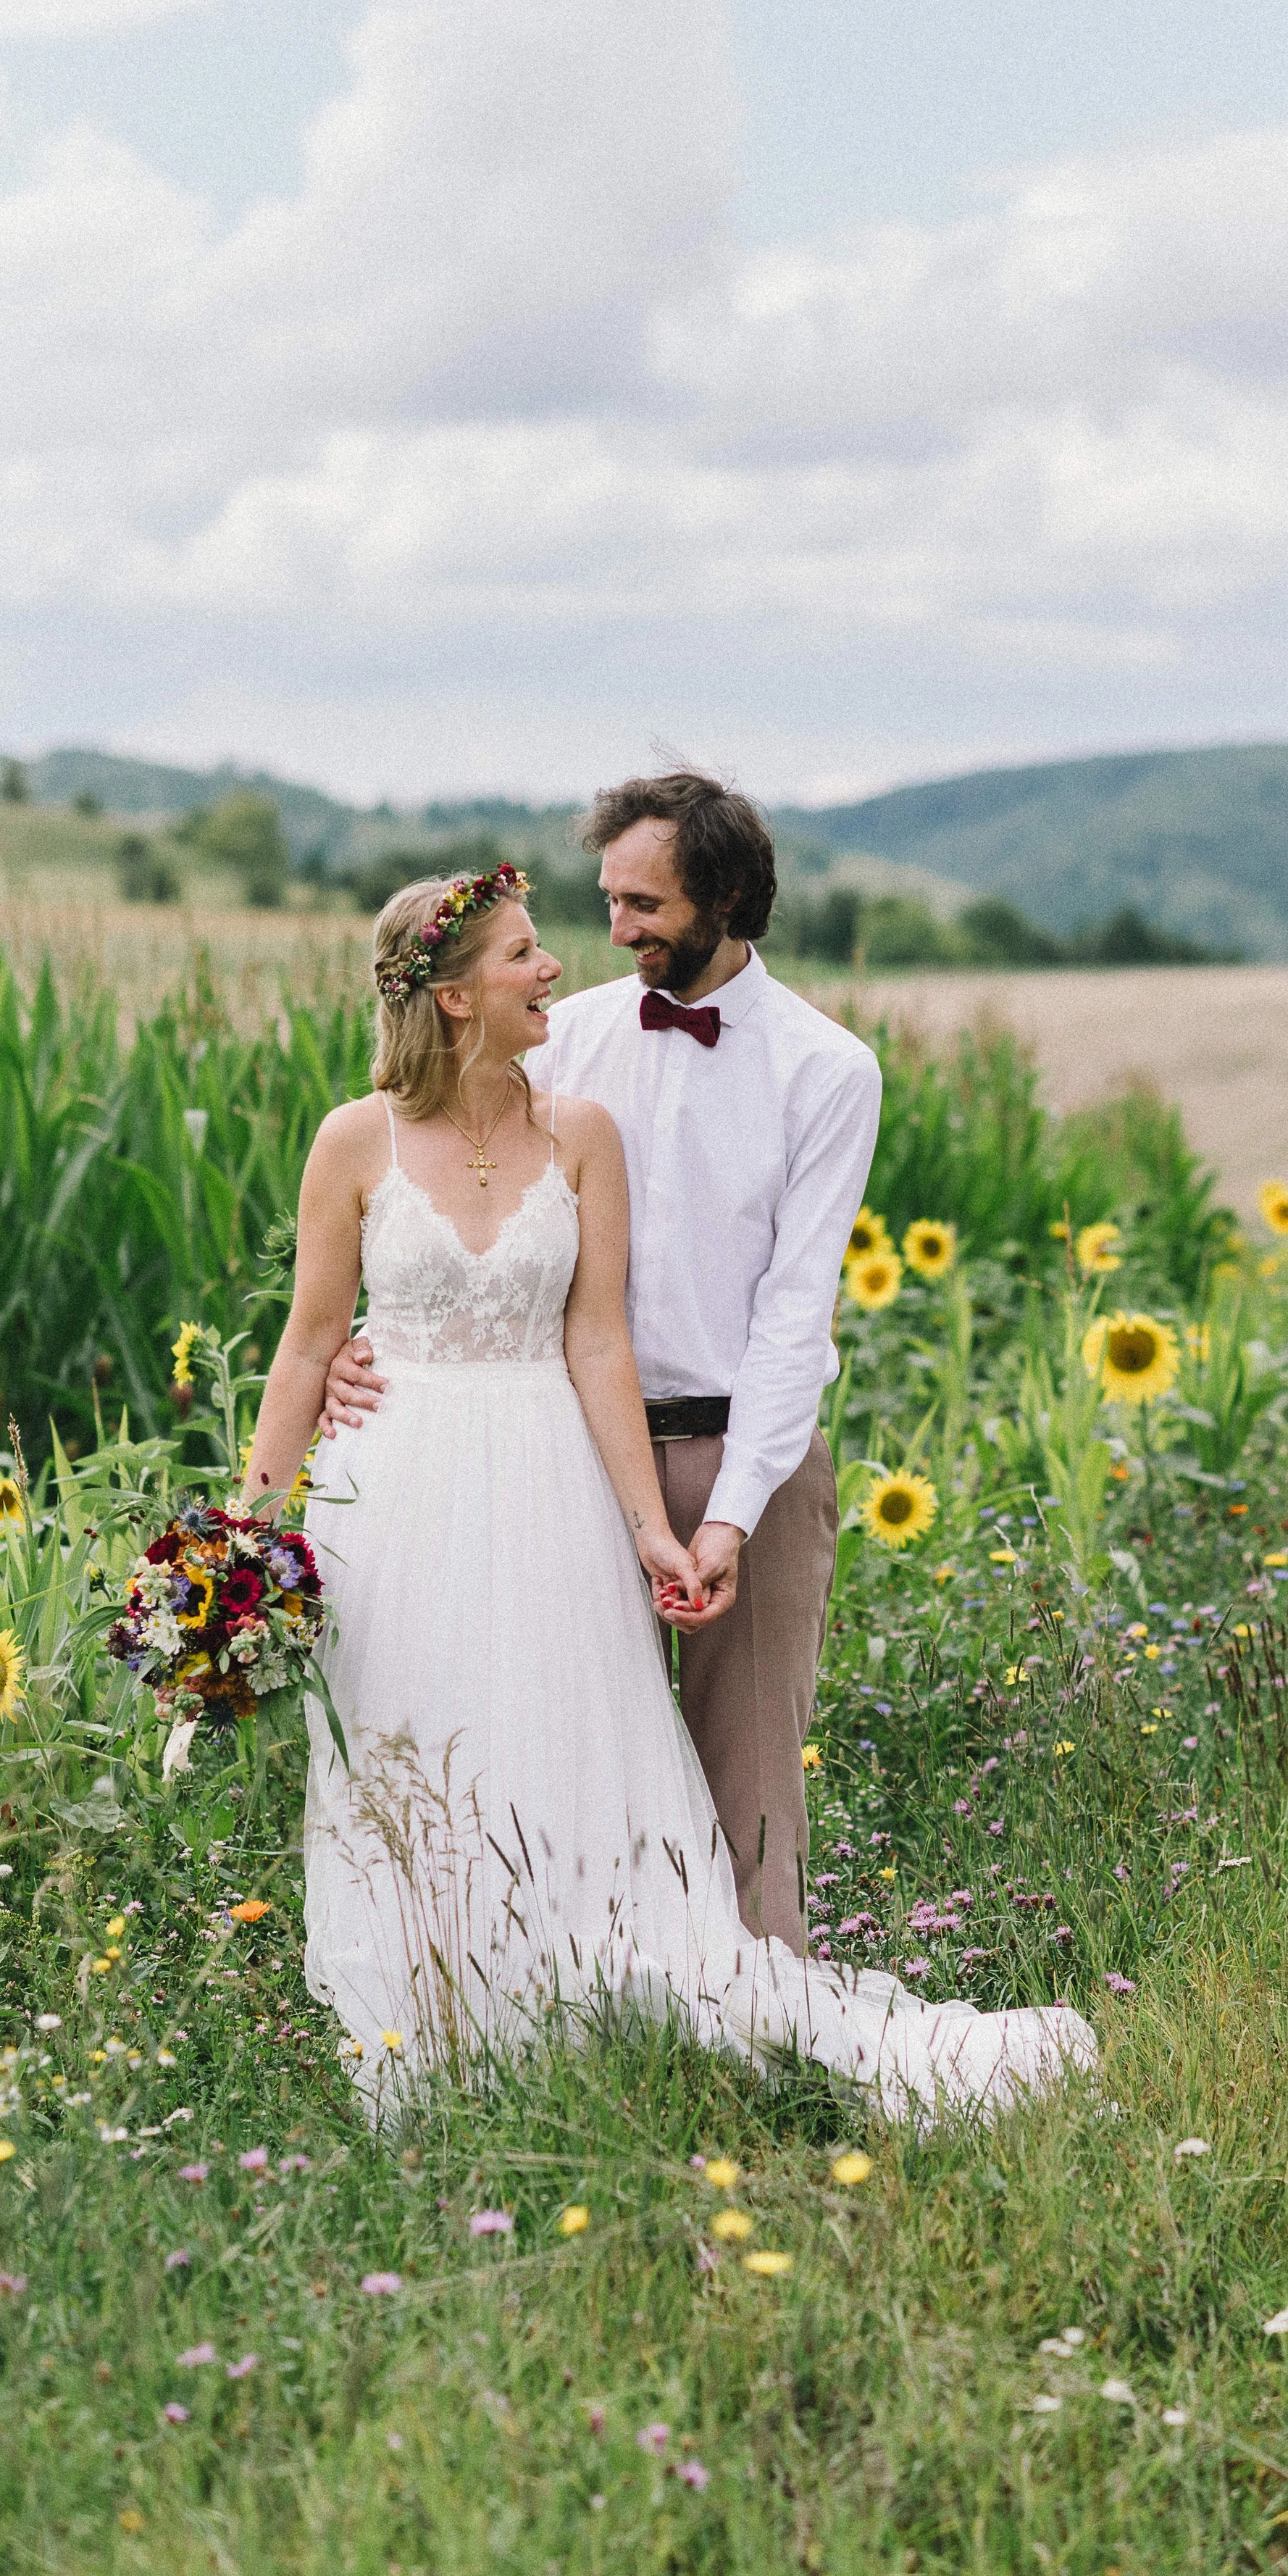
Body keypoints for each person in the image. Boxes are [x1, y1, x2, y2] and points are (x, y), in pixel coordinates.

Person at [247, 855, 1095, 2120]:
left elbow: (598, 1341)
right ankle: (430, 2041)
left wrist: (655, 1528)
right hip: (398, 1493)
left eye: (560, 940)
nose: (557, 967)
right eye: (524, 952)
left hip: (549, 1481)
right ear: (456, 997)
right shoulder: (353, 1139)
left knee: (570, 1745)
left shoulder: (578, 1129)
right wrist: (241, 1548)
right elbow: (312, 1343)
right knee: (405, 1758)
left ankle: (584, 2022)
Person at [323, 772, 854, 1951]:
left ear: (721, 896)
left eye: (643, 904)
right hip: (560, 1460)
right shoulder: (575, 1037)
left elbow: (793, 1319)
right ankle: (572, 2017)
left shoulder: (827, 1070)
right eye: (606, 900)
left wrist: (732, 1510)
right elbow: (465, 1194)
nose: (613, 932)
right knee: (554, 1759)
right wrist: (389, 1340)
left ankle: (773, 2045)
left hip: (738, 1453)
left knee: (753, 1789)